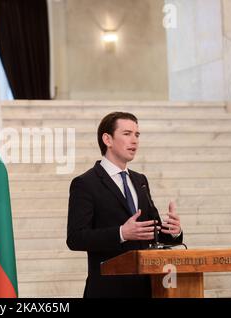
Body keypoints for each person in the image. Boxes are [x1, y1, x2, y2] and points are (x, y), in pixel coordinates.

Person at [66, 112, 183, 298]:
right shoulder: (86, 183)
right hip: (107, 290)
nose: (134, 141)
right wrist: (121, 233)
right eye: (127, 134)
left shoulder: (140, 180)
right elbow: (75, 238)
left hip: (146, 288)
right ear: (107, 139)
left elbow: (152, 232)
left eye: (137, 135)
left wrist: (173, 231)